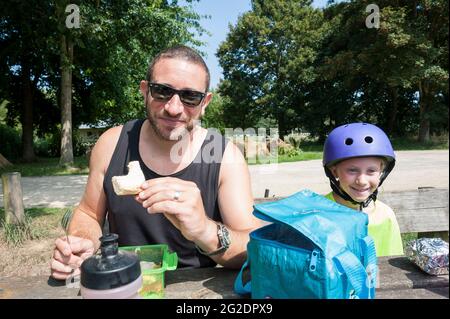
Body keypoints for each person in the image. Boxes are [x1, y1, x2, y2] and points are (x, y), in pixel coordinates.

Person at [50, 45, 262, 280]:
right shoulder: (111, 144)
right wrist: (82, 242)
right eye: (162, 91)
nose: (173, 108)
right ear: (145, 90)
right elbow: (89, 213)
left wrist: (204, 229)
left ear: (205, 103)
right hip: (124, 284)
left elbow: (253, 248)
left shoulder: (225, 157)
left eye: (190, 97)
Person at [322, 122, 404, 257]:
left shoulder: (385, 215)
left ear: (381, 171)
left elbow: (394, 260)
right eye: (352, 170)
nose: (362, 181)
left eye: (371, 171)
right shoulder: (319, 214)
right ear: (334, 171)